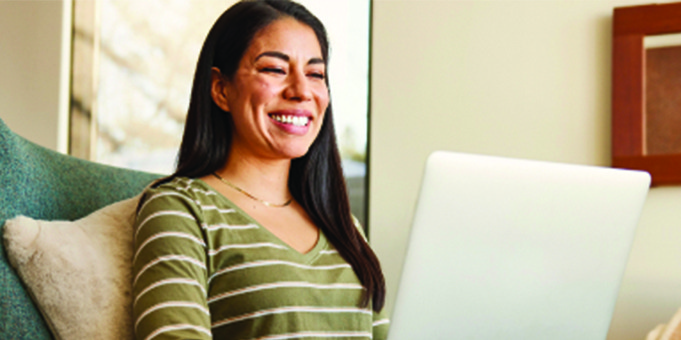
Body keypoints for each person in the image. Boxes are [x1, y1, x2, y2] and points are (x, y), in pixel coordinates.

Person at [131, 1, 389, 339]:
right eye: (274, 69)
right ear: (221, 89)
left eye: (315, 74)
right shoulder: (180, 210)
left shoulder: (343, 226)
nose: (301, 91)